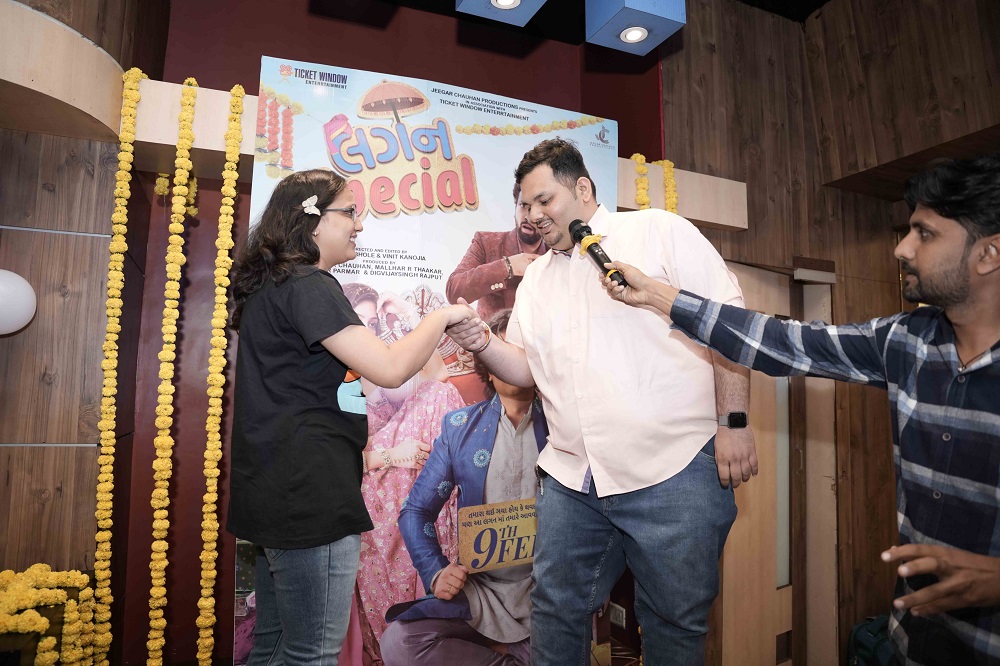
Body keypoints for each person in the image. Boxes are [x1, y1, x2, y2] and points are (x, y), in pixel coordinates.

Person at [599, 154, 1000, 666]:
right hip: (913, 644)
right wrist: (657, 294)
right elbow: (783, 342)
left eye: (924, 233)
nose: (902, 247)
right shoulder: (905, 341)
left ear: (988, 254)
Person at [447, 138, 759, 665]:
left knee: (675, 624)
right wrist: (481, 342)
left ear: (584, 188)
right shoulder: (537, 278)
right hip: (573, 479)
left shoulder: (658, 231)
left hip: (675, 470)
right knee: (553, 610)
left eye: (544, 200)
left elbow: (726, 322)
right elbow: (525, 369)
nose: (532, 215)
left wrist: (734, 422)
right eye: (525, 204)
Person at [228, 168, 475, 666]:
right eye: (349, 212)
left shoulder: (274, 286)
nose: (359, 225)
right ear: (313, 221)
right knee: (312, 652)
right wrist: (441, 316)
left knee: (274, 643)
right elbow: (390, 367)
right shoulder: (309, 285)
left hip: (275, 491)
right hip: (310, 495)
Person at [381, 310, 547, 666]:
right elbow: (416, 511)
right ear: (487, 366)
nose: (512, 361)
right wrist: (436, 571)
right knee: (401, 643)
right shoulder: (460, 428)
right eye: (502, 351)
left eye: (521, 352)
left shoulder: (564, 426)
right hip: (480, 593)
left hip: (548, 591)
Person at [341, 281, 465, 664]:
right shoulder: (343, 374)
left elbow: (440, 376)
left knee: (438, 394)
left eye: (373, 322)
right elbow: (341, 457)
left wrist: (412, 318)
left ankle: (436, 574)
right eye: (359, 321)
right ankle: (399, 629)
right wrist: (393, 454)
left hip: (417, 471)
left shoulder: (387, 361)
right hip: (373, 472)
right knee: (435, 399)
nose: (368, 329)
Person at [446, 183, 546, 321]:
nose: (528, 217)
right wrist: (507, 266)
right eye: (523, 205)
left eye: (536, 208)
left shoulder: (557, 254)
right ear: (515, 207)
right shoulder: (486, 242)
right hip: (490, 333)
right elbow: (453, 291)